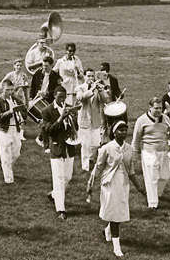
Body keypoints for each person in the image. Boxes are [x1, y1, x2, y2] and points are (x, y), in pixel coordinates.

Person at [88, 121, 145, 257]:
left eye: (125, 130)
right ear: (114, 132)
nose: (124, 132)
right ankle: (116, 247)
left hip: (123, 184)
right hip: (109, 184)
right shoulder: (106, 148)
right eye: (121, 130)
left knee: (118, 212)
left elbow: (130, 170)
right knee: (114, 214)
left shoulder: (130, 149)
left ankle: (108, 230)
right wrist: (91, 181)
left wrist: (139, 187)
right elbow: (99, 166)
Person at [42, 86, 77, 220]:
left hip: (69, 147)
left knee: (68, 176)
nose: (62, 99)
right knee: (58, 179)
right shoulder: (47, 111)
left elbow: (75, 128)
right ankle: (61, 209)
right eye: (59, 97)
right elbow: (49, 130)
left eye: (64, 97)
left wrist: (72, 120)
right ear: (54, 96)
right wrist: (61, 118)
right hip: (56, 148)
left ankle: (53, 195)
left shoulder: (69, 107)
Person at [131, 97, 170, 210]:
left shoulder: (166, 119)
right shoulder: (141, 120)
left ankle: (157, 194)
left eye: (160, 108)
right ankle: (153, 203)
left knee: (165, 176)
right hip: (149, 152)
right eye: (156, 108)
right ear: (150, 107)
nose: (159, 110)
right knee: (151, 178)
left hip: (164, 151)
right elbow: (136, 139)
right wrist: (134, 154)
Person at [0, 79, 28, 184]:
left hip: (15, 129)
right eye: (7, 90)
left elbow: (24, 112)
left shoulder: (15, 99)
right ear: (2, 89)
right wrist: (10, 112)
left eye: (11, 90)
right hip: (4, 130)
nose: (10, 92)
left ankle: (7, 169)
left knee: (16, 153)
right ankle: (8, 179)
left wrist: (21, 113)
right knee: (5, 154)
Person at [75, 68, 110, 172]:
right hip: (84, 120)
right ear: (85, 76)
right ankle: (85, 168)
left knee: (95, 144)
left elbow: (104, 101)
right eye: (88, 76)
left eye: (92, 76)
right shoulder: (79, 88)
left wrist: (101, 91)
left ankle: (90, 159)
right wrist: (92, 89)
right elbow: (81, 98)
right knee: (85, 145)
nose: (90, 78)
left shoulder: (96, 88)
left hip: (95, 121)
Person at [29, 56, 61, 150]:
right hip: (38, 99)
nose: (44, 67)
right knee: (44, 122)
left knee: (49, 122)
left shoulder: (56, 76)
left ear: (51, 65)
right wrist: (31, 98)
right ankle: (46, 145)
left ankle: (40, 138)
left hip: (49, 101)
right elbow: (33, 86)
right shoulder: (37, 73)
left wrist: (46, 93)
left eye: (46, 66)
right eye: (43, 65)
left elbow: (57, 90)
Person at [0, 59, 31, 139]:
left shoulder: (24, 76)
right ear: (14, 66)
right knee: (13, 114)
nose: (19, 67)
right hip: (11, 98)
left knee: (22, 115)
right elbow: (1, 84)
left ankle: (21, 133)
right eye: (17, 65)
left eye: (21, 65)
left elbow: (26, 89)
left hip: (21, 98)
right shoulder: (10, 75)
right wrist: (9, 90)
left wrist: (27, 100)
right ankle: (11, 131)